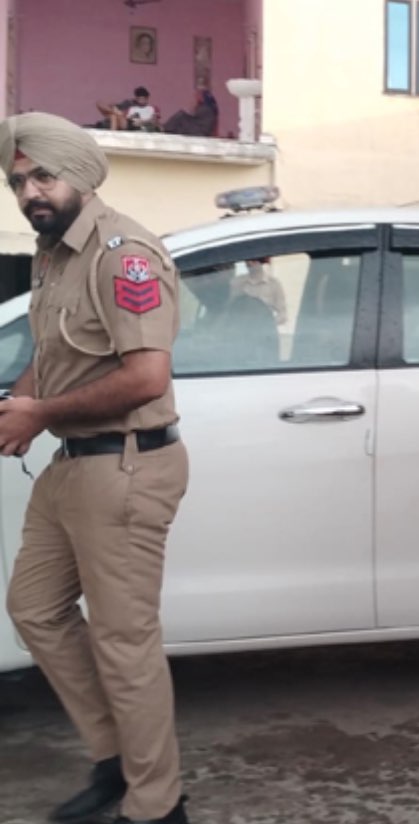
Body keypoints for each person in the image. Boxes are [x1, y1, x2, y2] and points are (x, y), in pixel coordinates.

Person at [0, 113, 189, 824]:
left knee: (124, 643)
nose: (30, 192)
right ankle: (117, 760)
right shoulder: (52, 254)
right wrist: (19, 405)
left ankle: (157, 806)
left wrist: (39, 415)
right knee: (34, 609)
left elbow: (146, 377)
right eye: (18, 181)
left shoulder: (123, 254)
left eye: (43, 177)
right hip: (72, 463)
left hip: (126, 465)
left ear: (79, 175)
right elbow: (52, 355)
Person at [230, 257, 289, 325]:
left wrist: (267, 324)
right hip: (242, 328)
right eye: (247, 260)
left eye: (254, 260)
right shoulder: (237, 282)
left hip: (264, 329)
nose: (249, 263)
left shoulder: (274, 284)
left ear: (262, 262)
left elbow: (282, 314)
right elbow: (230, 311)